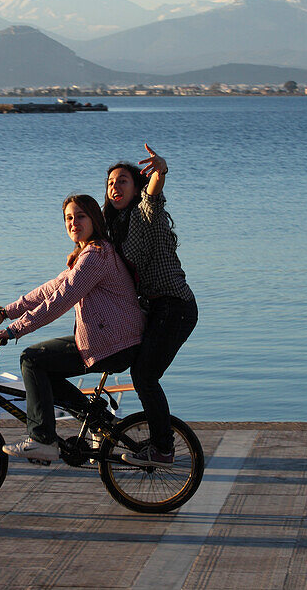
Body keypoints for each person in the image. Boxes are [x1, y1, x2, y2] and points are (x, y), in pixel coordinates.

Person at [0, 193, 145, 463]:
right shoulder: (87, 254)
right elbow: (51, 288)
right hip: (108, 338)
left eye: (80, 216)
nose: (73, 222)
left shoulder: (96, 256)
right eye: (69, 218)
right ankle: (99, 421)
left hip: (114, 343)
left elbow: (60, 301)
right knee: (45, 370)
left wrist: (14, 330)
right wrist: (5, 312)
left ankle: (42, 439)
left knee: (32, 360)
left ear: (94, 219)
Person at [103, 144, 198, 468]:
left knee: (144, 375)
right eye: (111, 183)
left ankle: (163, 448)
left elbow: (153, 194)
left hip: (176, 307)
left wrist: (160, 170)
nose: (115, 187)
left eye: (123, 181)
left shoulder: (145, 213)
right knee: (129, 363)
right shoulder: (116, 229)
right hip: (154, 310)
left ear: (137, 187)